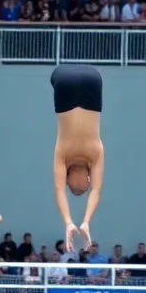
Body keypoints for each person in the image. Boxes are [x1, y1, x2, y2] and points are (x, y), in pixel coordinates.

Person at [50, 64, 104, 251]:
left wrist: (81, 222)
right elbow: (59, 190)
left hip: (92, 81)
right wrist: (74, 222)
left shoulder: (96, 152)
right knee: (55, 76)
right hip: (67, 84)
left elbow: (95, 190)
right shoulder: (63, 154)